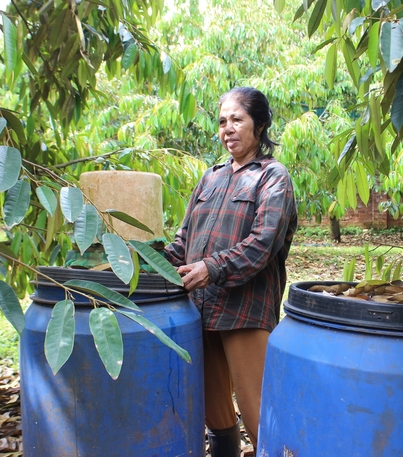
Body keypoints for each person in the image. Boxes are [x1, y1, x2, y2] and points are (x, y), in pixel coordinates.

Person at [164, 87, 298, 457]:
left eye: (237, 119)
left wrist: (212, 268)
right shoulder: (211, 176)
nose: (228, 129)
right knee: (215, 412)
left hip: (245, 312)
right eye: (222, 121)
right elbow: (183, 242)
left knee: (258, 413)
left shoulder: (273, 177)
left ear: (260, 124)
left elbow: (263, 243)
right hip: (200, 308)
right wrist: (146, 260)